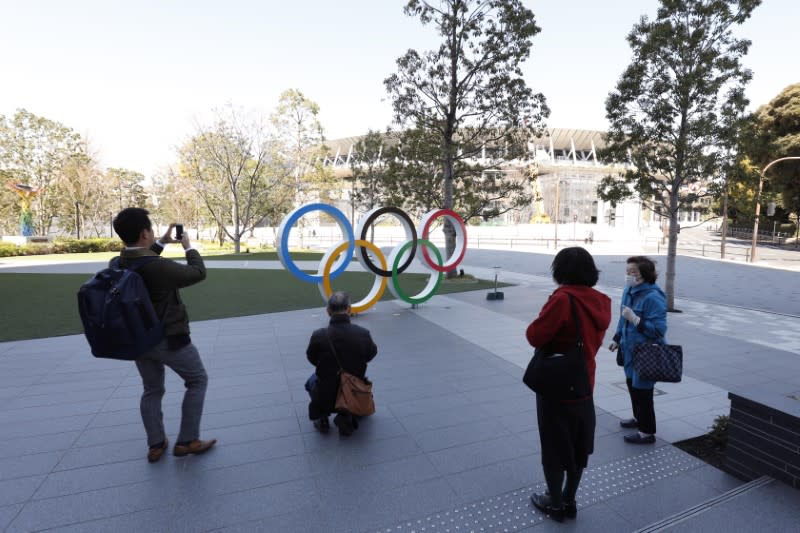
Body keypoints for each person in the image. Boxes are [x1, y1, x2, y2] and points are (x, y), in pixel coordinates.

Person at [112, 208, 216, 463]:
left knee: (152, 389)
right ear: (145, 232)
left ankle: (156, 445)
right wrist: (188, 247)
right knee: (197, 380)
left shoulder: (118, 263)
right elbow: (198, 273)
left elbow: (142, 262)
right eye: (151, 230)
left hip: (139, 340)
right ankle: (187, 441)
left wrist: (161, 243)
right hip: (169, 338)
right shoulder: (158, 268)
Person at [525, 247, 611, 522]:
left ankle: (555, 502)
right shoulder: (601, 301)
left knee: (553, 445)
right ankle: (570, 500)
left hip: (557, 384)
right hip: (584, 382)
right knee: (578, 443)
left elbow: (535, 336)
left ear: (560, 271)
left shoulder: (563, 299)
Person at [609, 256, 668, 445]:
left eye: (632, 272)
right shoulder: (629, 290)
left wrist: (636, 319)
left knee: (643, 392)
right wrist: (617, 338)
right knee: (632, 387)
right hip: (629, 350)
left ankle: (647, 432)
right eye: (627, 271)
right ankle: (638, 419)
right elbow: (622, 318)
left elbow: (659, 330)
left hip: (646, 353)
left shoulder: (653, 297)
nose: (628, 275)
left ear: (644, 275)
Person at [306, 292, 377, 436]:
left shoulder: (319, 335)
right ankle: (347, 413)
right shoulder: (363, 333)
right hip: (353, 388)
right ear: (349, 309)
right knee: (352, 380)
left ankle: (323, 418)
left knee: (311, 381)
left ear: (328, 311)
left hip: (326, 390)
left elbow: (312, 358)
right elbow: (371, 354)